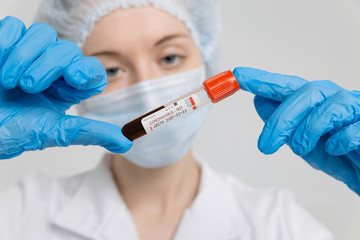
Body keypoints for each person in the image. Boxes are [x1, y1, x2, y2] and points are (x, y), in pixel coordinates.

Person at [1, 0, 357, 239]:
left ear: (206, 63)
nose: (148, 91)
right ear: (69, 86)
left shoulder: (280, 224)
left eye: (169, 58)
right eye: (110, 69)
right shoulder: (19, 213)